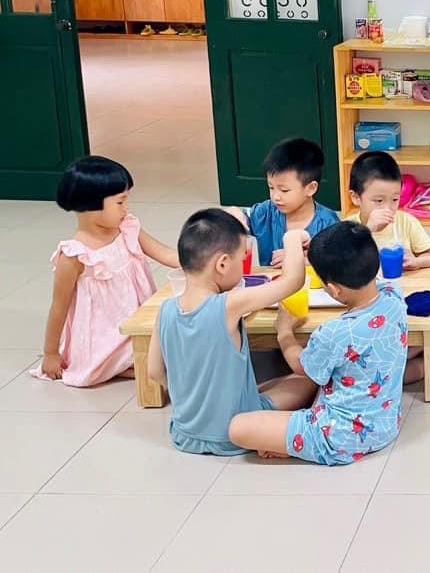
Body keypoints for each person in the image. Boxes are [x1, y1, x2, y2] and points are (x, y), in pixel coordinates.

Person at [228, 222, 408, 464]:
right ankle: (288, 440)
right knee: (299, 385)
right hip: (385, 425)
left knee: (238, 427)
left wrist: (284, 332)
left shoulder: (333, 333)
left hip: (337, 437)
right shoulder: (393, 295)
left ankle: (298, 445)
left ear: (333, 289)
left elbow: (300, 366)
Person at [151, 211, 316, 454]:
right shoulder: (229, 305)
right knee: (308, 378)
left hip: (184, 436)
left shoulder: (165, 309)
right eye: (242, 260)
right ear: (222, 264)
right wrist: (292, 238)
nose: (243, 267)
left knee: (263, 384)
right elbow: (292, 281)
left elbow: (154, 372)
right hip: (233, 434)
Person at [34, 156, 179, 386]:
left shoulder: (127, 228)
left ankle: (133, 361)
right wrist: (51, 353)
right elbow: (58, 308)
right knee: (164, 358)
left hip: (138, 322)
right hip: (102, 338)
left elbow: (166, 254)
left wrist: (201, 260)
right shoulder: (74, 255)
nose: (126, 208)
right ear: (90, 206)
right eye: (120, 202)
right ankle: (118, 365)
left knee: (173, 340)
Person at [237, 138, 338, 268]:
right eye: (271, 187)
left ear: (311, 188)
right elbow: (239, 221)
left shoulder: (328, 223)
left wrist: (303, 259)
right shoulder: (265, 213)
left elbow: (339, 262)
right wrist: (234, 213)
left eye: (284, 190)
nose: (275, 197)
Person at [346, 151, 430, 270]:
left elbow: (427, 254)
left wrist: (416, 262)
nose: (388, 208)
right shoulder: (347, 228)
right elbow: (343, 263)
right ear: (356, 198)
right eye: (379, 200)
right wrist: (368, 230)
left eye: (395, 199)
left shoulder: (407, 222)